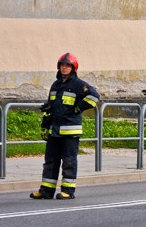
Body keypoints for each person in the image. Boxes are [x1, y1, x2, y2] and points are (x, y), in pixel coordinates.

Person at [30, 52, 100, 200]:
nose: (64, 68)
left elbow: (94, 96)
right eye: (62, 65)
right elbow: (51, 106)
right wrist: (45, 123)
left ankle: (68, 191)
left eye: (67, 65)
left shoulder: (78, 84)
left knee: (68, 161)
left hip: (70, 130)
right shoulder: (55, 85)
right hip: (55, 130)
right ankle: (46, 191)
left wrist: (78, 108)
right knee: (50, 160)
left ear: (73, 68)